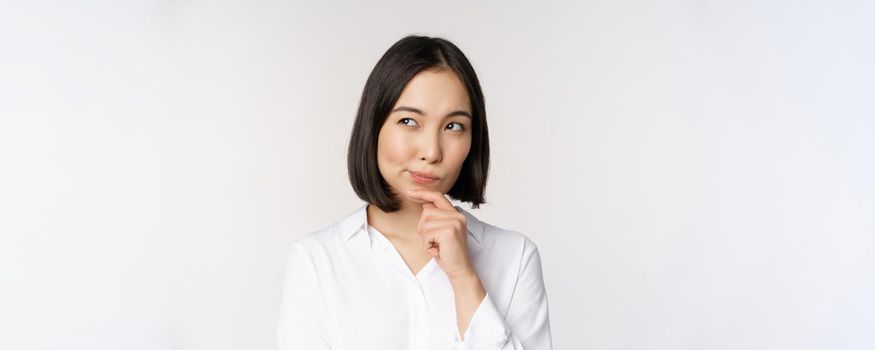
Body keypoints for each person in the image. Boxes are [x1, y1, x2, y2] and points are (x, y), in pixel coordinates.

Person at [276, 34, 553, 350]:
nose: (432, 151)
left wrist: (464, 279)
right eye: (409, 121)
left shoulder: (515, 258)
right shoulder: (317, 261)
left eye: (454, 126)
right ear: (374, 124)